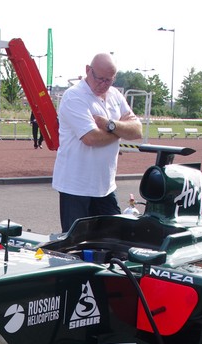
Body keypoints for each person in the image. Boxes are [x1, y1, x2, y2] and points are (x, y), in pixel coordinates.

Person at [51, 52, 143, 232]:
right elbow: (91, 138)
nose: (103, 84)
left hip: (105, 186)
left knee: (115, 237)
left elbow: (137, 130)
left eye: (109, 80)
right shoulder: (74, 96)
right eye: (99, 78)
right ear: (88, 70)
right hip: (76, 187)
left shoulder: (115, 95)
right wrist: (120, 131)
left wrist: (110, 125)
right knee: (77, 243)